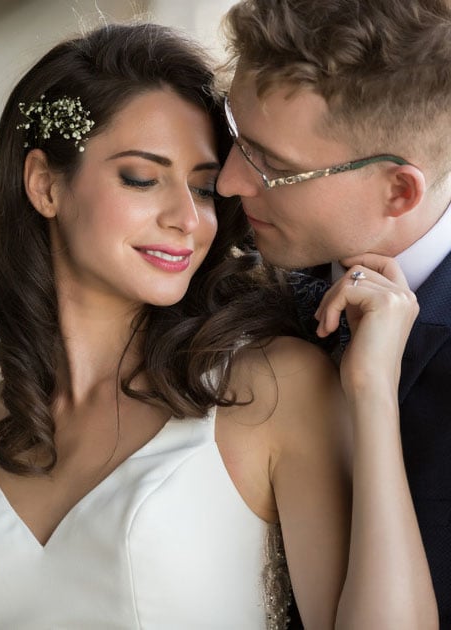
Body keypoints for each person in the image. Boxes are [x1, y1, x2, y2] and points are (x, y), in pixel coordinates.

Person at [0, 22, 436, 629]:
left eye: (207, 189)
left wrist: (371, 393)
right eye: (141, 177)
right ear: (45, 184)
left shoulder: (270, 392)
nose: (188, 219)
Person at [217, 0, 451, 623]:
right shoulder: (209, 272)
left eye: (273, 166)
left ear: (398, 191)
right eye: (236, 136)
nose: (229, 183)